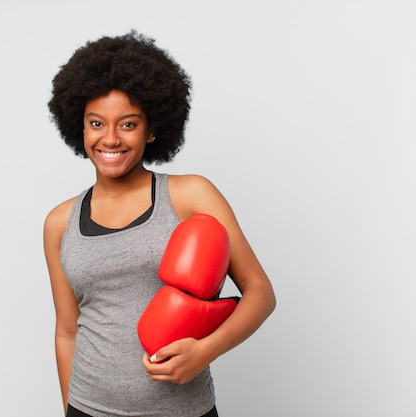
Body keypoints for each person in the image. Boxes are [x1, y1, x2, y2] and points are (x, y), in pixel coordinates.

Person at [43, 31, 276, 417]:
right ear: (80, 128)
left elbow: (260, 292)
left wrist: (204, 352)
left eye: (129, 124)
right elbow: (67, 331)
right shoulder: (59, 222)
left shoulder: (190, 196)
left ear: (152, 130)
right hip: (87, 408)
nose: (111, 139)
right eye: (96, 123)